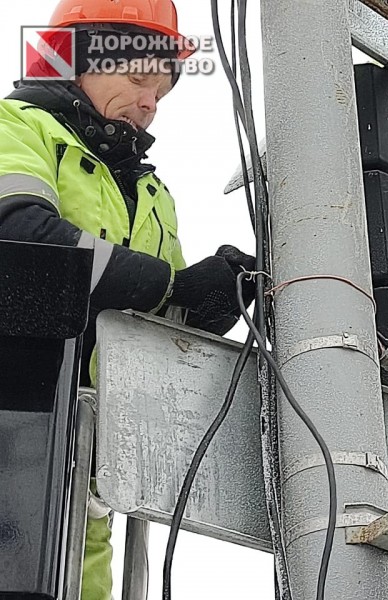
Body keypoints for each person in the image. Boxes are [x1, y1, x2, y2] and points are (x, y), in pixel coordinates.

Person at [0, 1, 255, 598]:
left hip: (89, 478)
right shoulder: (17, 127)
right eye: (139, 78)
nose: (150, 103)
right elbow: (19, 235)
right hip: (14, 436)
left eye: (161, 93)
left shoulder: (152, 193)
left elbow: (152, 325)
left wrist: (215, 299)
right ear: (73, 62)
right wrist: (166, 283)